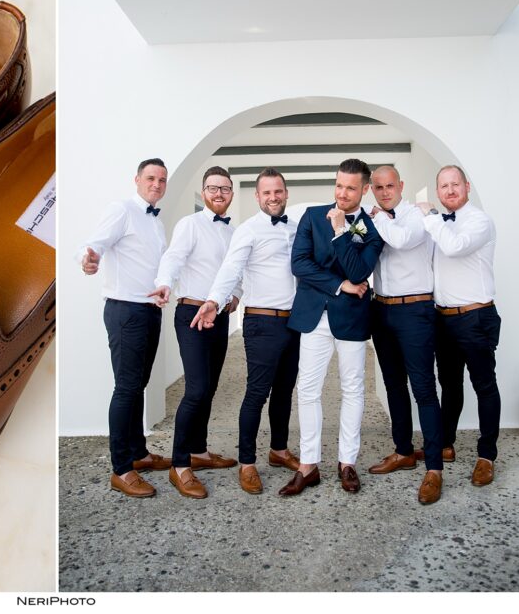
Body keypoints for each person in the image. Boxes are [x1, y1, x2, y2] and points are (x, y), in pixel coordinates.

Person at [190, 167, 301, 495]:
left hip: (294, 322)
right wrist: (214, 299)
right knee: (257, 393)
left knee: (284, 391)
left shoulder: (296, 228)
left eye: (278, 191)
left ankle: (279, 451)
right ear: (257, 196)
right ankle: (248, 463)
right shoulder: (248, 230)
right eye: (266, 192)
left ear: (285, 193)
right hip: (261, 322)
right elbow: (230, 268)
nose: (273, 197)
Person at [280, 158, 383, 497]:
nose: (342, 193)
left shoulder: (371, 227)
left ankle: (347, 462)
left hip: (351, 319)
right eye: (339, 185)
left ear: (364, 190)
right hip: (314, 316)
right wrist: (341, 286)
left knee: (352, 389)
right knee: (308, 389)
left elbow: (359, 271)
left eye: (351, 188)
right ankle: (308, 465)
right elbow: (300, 264)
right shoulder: (311, 216)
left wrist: (342, 232)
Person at [79, 158, 169, 498]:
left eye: (162, 179)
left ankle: (139, 453)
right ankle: (121, 468)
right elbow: (92, 247)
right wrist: (87, 260)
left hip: (150, 311)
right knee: (127, 387)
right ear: (137, 180)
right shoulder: (122, 209)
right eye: (150, 178)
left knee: (139, 385)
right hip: (125, 311)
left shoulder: (155, 222)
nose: (156, 184)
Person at [150, 167, 240, 499]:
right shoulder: (190, 224)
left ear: (232, 194)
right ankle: (179, 465)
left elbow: (236, 271)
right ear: (204, 192)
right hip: (191, 313)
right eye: (213, 188)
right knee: (197, 389)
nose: (219, 194)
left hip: (220, 316)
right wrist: (163, 284)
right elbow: (173, 258)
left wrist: (235, 297)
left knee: (210, 387)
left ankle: (198, 452)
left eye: (225, 189)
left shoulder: (233, 234)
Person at [416, 165, 500, 487]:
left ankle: (486, 456)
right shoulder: (439, 225)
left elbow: (454, 246)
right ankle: (446, 445)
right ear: (438, 191)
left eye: (455, 184)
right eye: (443, 186)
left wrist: (431, 217)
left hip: (476, 317)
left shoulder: (478, 220)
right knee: (449, 386)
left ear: (466, 186)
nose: (450, 190)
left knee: (484, 386)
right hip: (443, 318)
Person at [366, 165, 444, 505]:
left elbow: (399, 238)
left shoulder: (416, 215)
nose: (384, 192)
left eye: (389, 186)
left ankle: (435, 469)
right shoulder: (373, 218)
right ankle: (403, 451)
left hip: (415, 310)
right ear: (372, 189)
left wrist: (375, 219)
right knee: (394, 385)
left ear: (401, 185)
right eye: (378, 187)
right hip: (381, 310)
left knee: (424, 388)